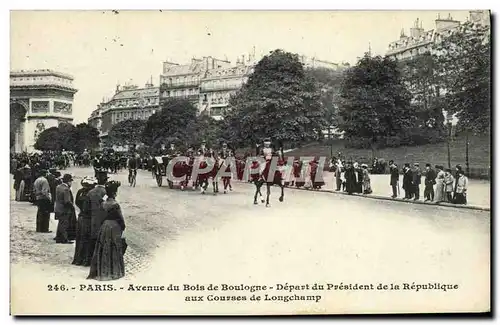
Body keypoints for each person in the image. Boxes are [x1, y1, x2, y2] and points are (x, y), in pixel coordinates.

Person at [87, 180, 126, 281]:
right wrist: (122, 227)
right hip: (114, 227)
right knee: (114, 248)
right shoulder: (115, 204)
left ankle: (102, 269)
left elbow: (100, 216)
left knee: (103, 247)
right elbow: (120, 219)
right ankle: (114, 271)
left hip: (104, 226)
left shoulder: (103, 204)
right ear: (114, 193)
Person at [72, 177, 97, 266]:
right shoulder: (91, 194)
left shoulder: (80, 192)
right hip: (88, 219)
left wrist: (82, 209)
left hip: (81, 217)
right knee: (87, 239)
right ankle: (86, 260)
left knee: (80, 239)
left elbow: (76, 202)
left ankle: (78, 259)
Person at [88, 170, 108, 258]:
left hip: (93, 217)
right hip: (103, 218)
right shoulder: (106, 192)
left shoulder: (91, 192)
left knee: (93, 236)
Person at [54, 174, 75, 244]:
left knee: (60, 223)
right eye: (70, 181)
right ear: (68, 181)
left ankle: (58, 237)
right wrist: (72, 207)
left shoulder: (58, 187)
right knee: (64, 224)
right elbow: (67, 201)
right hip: (64, 209)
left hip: (58, 208)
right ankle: (64, 239)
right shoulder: (66, 189)